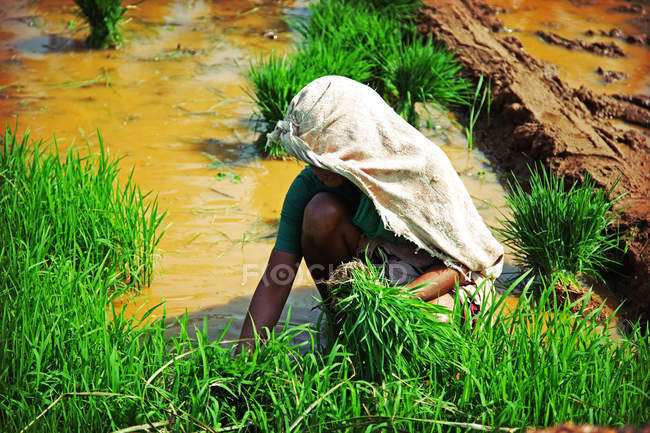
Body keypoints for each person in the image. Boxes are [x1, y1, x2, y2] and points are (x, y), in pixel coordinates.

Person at [238, 75, 503, 351]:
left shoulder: (420, 169)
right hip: (384, 272)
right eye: (308, 158)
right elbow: (275, 280)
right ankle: (346, 330)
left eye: (325, 157)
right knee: (320, 212)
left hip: (443, 281)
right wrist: (243, 358)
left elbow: (461, 264)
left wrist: (394, 302)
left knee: (420, 330)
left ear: (355, 143)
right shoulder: (309, 186)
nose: (315, 168)